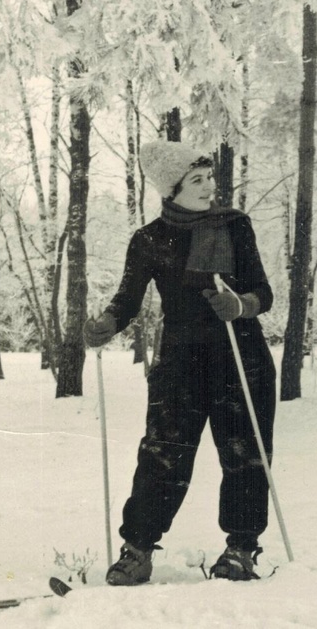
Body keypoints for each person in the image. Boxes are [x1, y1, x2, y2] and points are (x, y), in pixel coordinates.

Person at [84, 140, 276, 585]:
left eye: (210, 176)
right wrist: (107, 323)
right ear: (171, 189)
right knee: (162, 455)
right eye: (197, 180)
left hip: (239, 355)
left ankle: (241, 549)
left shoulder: (234, 226)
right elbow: (127, 299)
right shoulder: (149, 239)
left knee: (244, 455)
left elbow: (263, 292)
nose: (210, 186)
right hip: (180, 360)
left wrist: (239, 304)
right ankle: (137, 550)